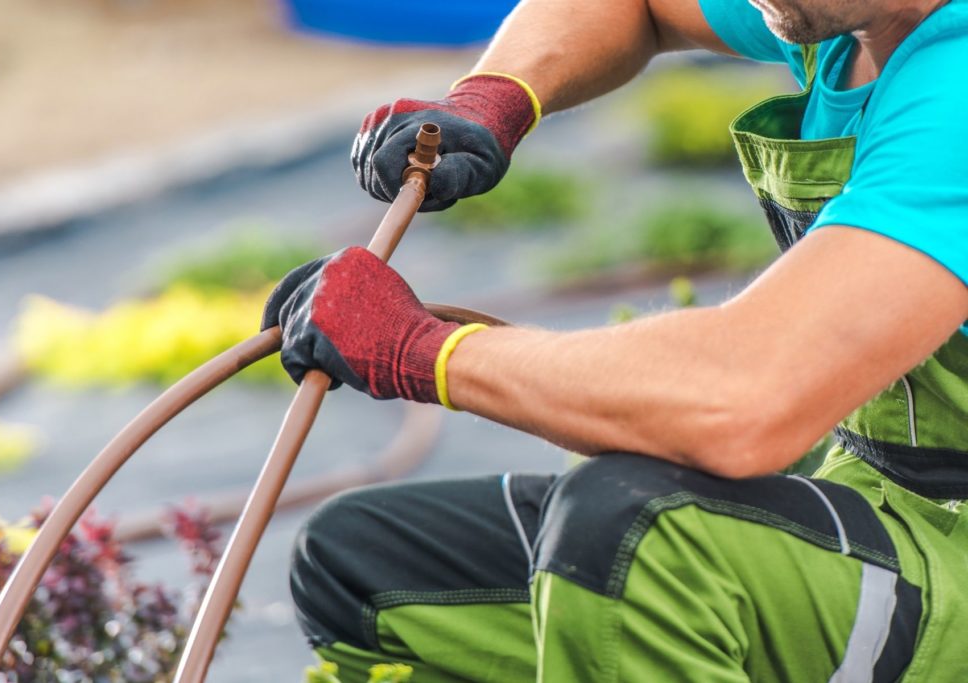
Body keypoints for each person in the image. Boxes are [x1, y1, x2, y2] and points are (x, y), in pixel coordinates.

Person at [261, 0, 968, 679]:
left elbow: (741, 400)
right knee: (367, 564)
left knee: (630, 535)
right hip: (878, 493)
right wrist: (493, 97)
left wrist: (420, 349)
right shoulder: (848, 20)